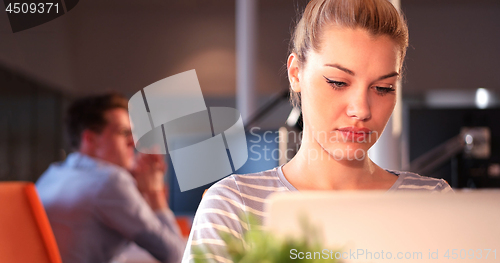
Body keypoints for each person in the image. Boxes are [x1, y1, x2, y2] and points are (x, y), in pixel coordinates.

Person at [182, 0, 453, 262]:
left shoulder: (434, 202)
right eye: (338, 82)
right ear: (296, 74)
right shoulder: (234, 207)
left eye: (383, 88)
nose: (361, 110)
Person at [36, 93, 185, 263]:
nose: (133, 143)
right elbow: (179, 256)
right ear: (90, 139)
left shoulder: (52, 174)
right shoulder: (111, 181)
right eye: (124, 133)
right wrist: (154, 191)